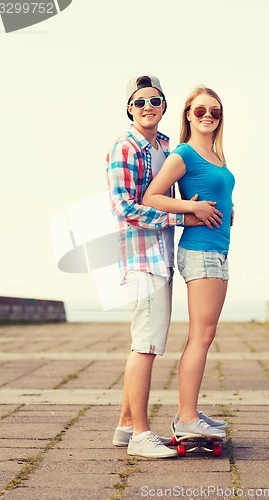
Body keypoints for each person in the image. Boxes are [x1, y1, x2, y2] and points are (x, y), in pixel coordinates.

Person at [105, 75, 222, 458]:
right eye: (140, 102)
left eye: (156, 101)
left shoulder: (165, 146)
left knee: (148, 340)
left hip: (164, 255)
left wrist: (206, 207)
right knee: (146, 344)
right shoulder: (125, 148)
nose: (148, 107)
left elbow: (179, 194)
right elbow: (126, 209)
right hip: (142, 257)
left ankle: (125, 425)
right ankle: (140, 436)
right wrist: (185, 217)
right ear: (129, 108)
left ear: (165, 107)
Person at [143, 86, 235, 439]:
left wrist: (229, 209)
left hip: (219, 248)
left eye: (214, 111)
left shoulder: (215, 154)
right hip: (200, 250)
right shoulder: (183, 153)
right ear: (188, 115)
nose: (208, 116)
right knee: (201, 335)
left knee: (205, 335)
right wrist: (191, 208)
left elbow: (219, 192)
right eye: (200, 111)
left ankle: (191, 411)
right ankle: (185, 418)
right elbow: (152, 196)